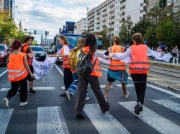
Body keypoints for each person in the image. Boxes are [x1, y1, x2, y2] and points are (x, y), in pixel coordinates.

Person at [112, 33, 151, 115]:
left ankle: (138, 101)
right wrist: (163, 56)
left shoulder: (131, 48)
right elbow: (153, 54)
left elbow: (123, 56)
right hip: (143, 70)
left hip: (134, 71)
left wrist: (113, 55)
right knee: (142, 88)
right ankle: (140, 103)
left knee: (137, 87)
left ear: (134, 40)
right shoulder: (145, 47)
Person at [75, 34, 109, 119]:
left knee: (81, 92)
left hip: (82, 73)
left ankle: (78, 111)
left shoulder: (81, 50)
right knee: (97, 91)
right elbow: (105, 57)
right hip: (92, 74)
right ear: (94, 42)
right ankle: (105, 107)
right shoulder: (95, 51)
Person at [3, 40, 34, 108]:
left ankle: (7, 98)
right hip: (21, 74)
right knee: (23, 88)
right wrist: (31, 73)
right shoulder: (23, 55)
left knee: (14, 89)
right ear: (20, 46)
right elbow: (26, 64)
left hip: (13, 75)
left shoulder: (11, 55)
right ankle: (23, 102)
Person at [104, 36, 129, 103]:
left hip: (112, 68)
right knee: (123, 82)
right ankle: (125, 93)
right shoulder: (123, 48)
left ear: (113, 41)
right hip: (121, 68)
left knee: (109, 82)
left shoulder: (110, 49)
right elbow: (128, 55)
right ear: (119, 41)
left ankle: (106, 96)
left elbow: (105, 56)